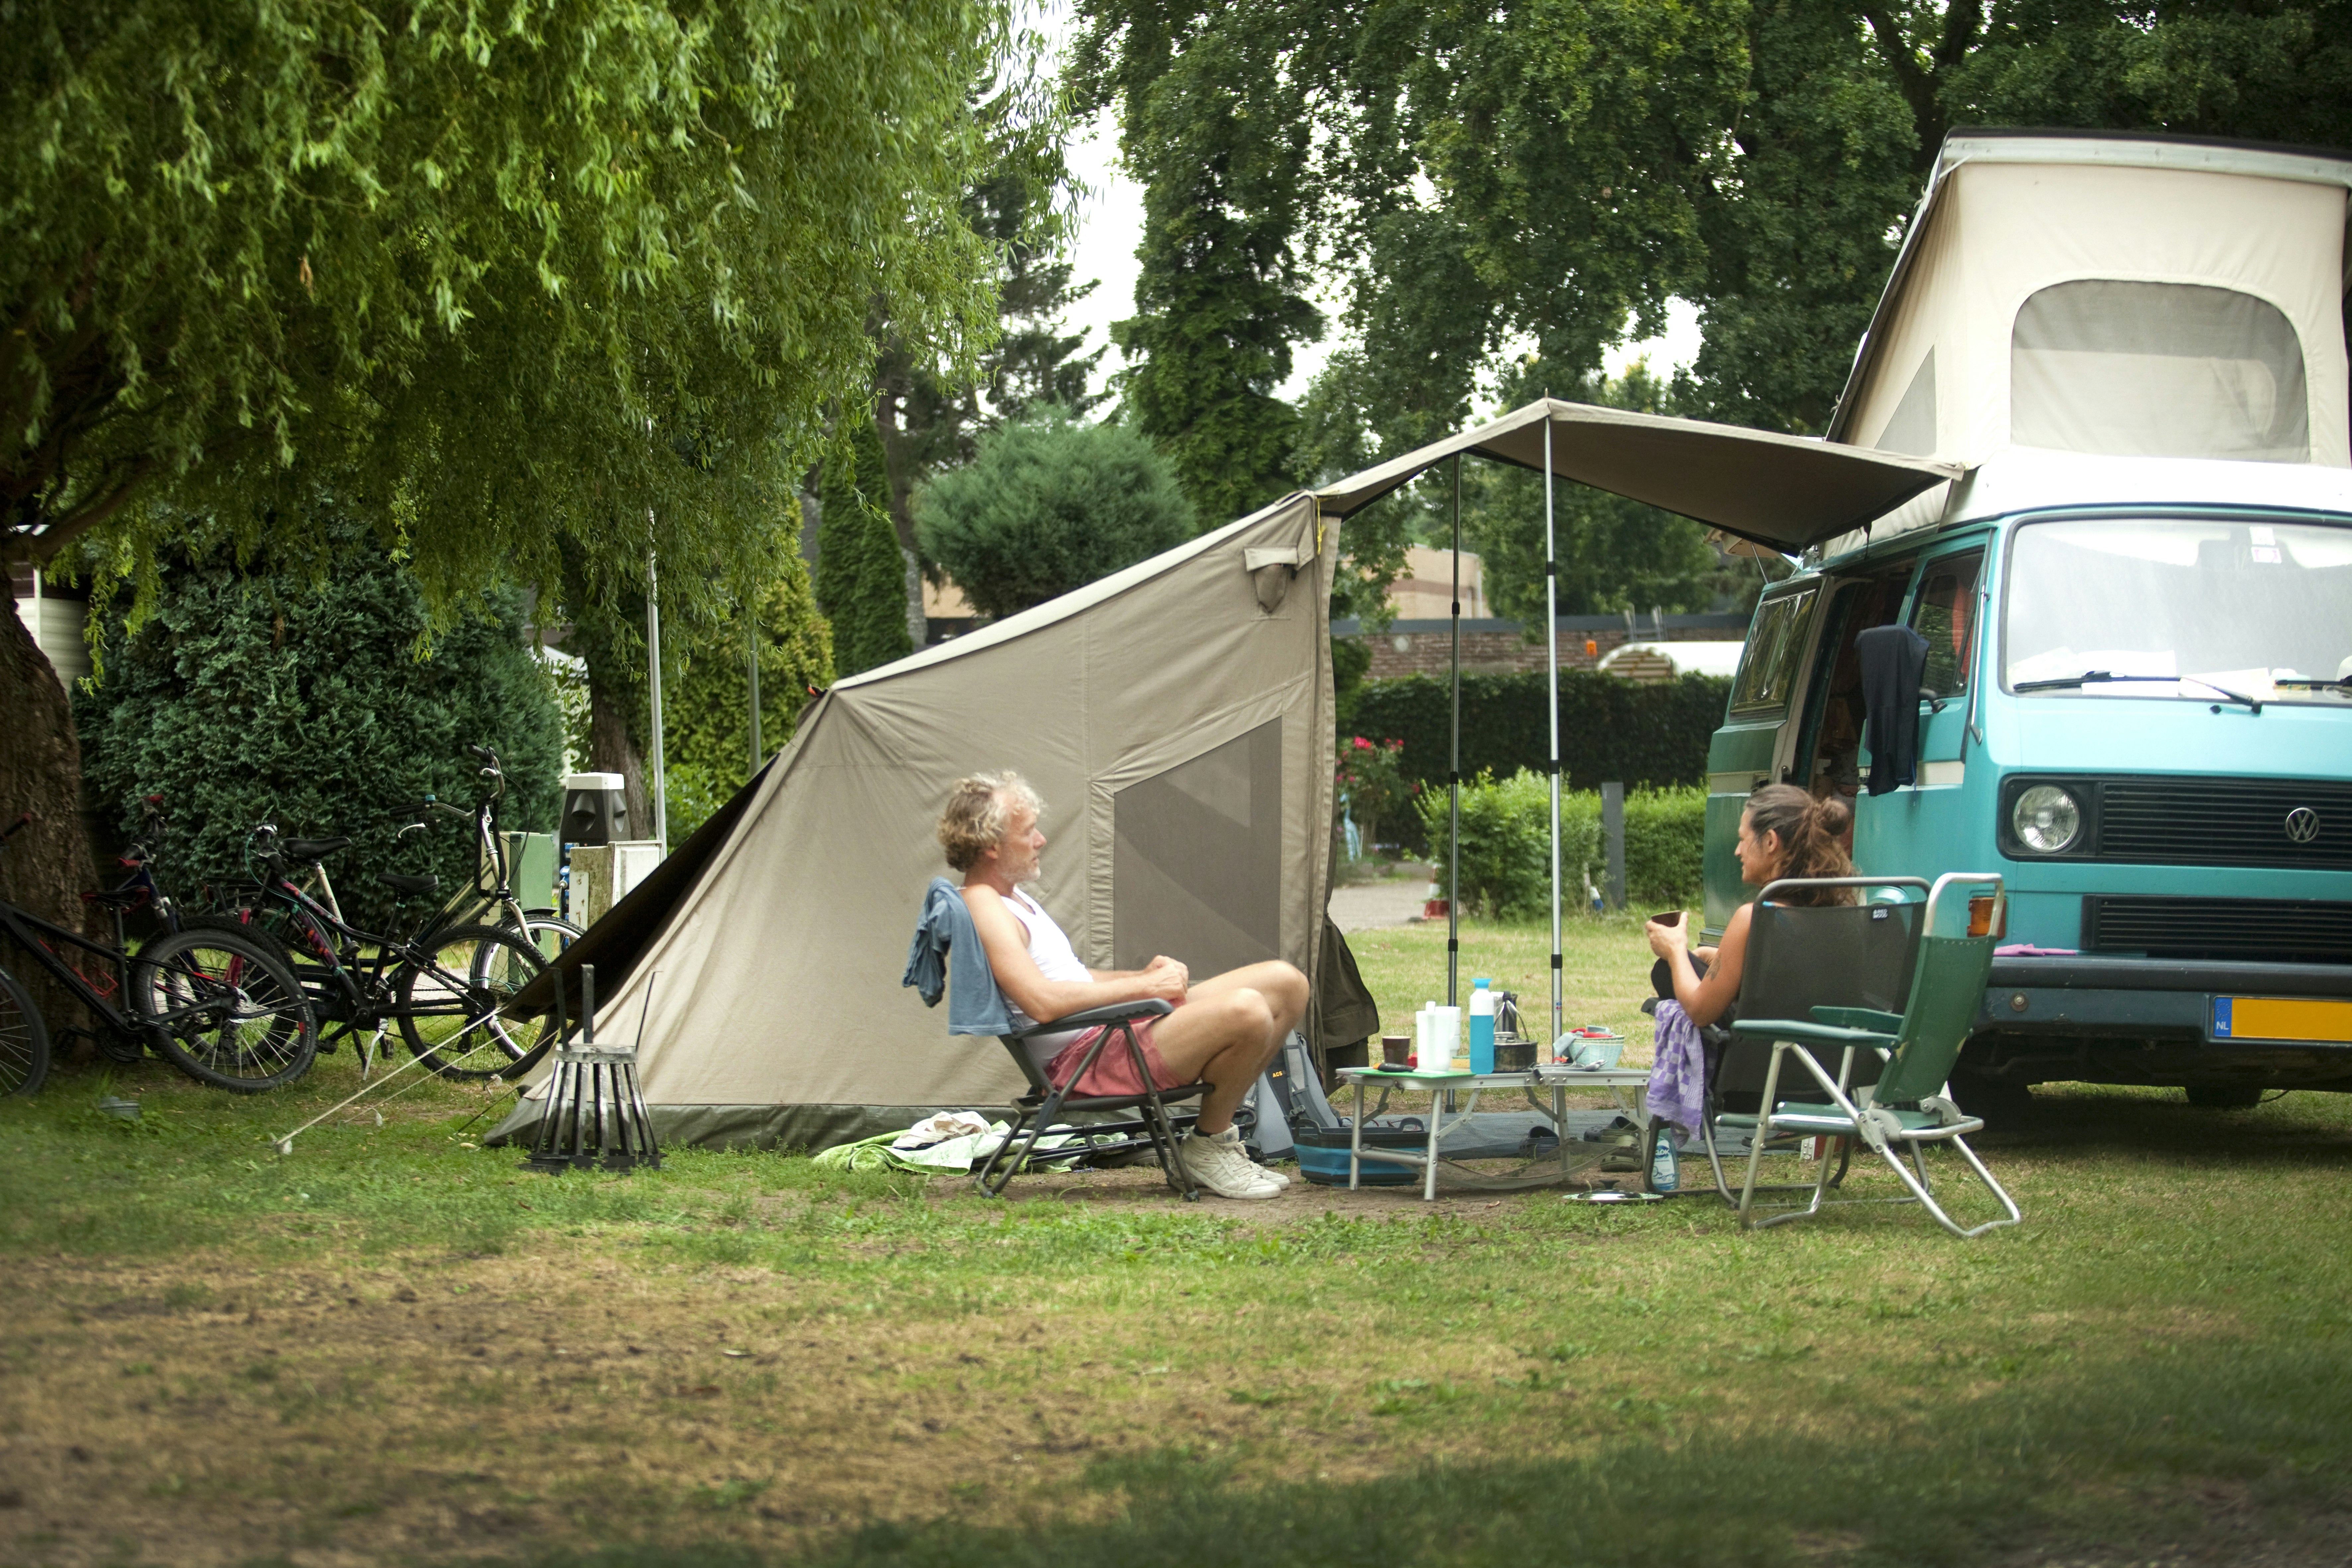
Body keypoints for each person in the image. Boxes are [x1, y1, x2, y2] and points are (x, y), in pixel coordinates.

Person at [938, 772, 1307, 1201]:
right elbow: (1040, 1002)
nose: (1040, 840)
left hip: (1111, 1035)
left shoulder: (1014, 899)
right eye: (1029, 832)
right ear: (992, 846)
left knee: (1286, 983)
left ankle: (1210, 1145)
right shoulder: (984, 905)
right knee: (1245, 1009)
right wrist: (1146, 987)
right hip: (1088, 1061)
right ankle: (1209, 1143)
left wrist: (1141, 979)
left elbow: (1070, 978)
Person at [1645, 784, 1854, 1028]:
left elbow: (1700, 1011)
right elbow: (1797, 983)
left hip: (1768, 1059)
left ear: (1770, 841)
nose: (1737, 851)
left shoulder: (1754, 917)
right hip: (1830, 1061)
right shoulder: (1845, 915)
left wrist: (1675, 949)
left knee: (1666, 970)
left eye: (1743, 839)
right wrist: (1721, 958)